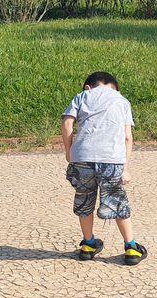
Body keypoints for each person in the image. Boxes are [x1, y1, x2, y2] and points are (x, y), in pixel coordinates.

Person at [61, 71, 146, 265]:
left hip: (81, 158)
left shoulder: (82, 96)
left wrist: (70, 151)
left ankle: (88, 245)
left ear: (88, 87)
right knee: (116, 201)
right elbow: (127, 137)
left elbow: (67, 123)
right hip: (112, 159)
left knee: (84, 198)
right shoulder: (122, 101)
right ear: (114, 88)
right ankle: (131, 248)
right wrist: (124, 168)